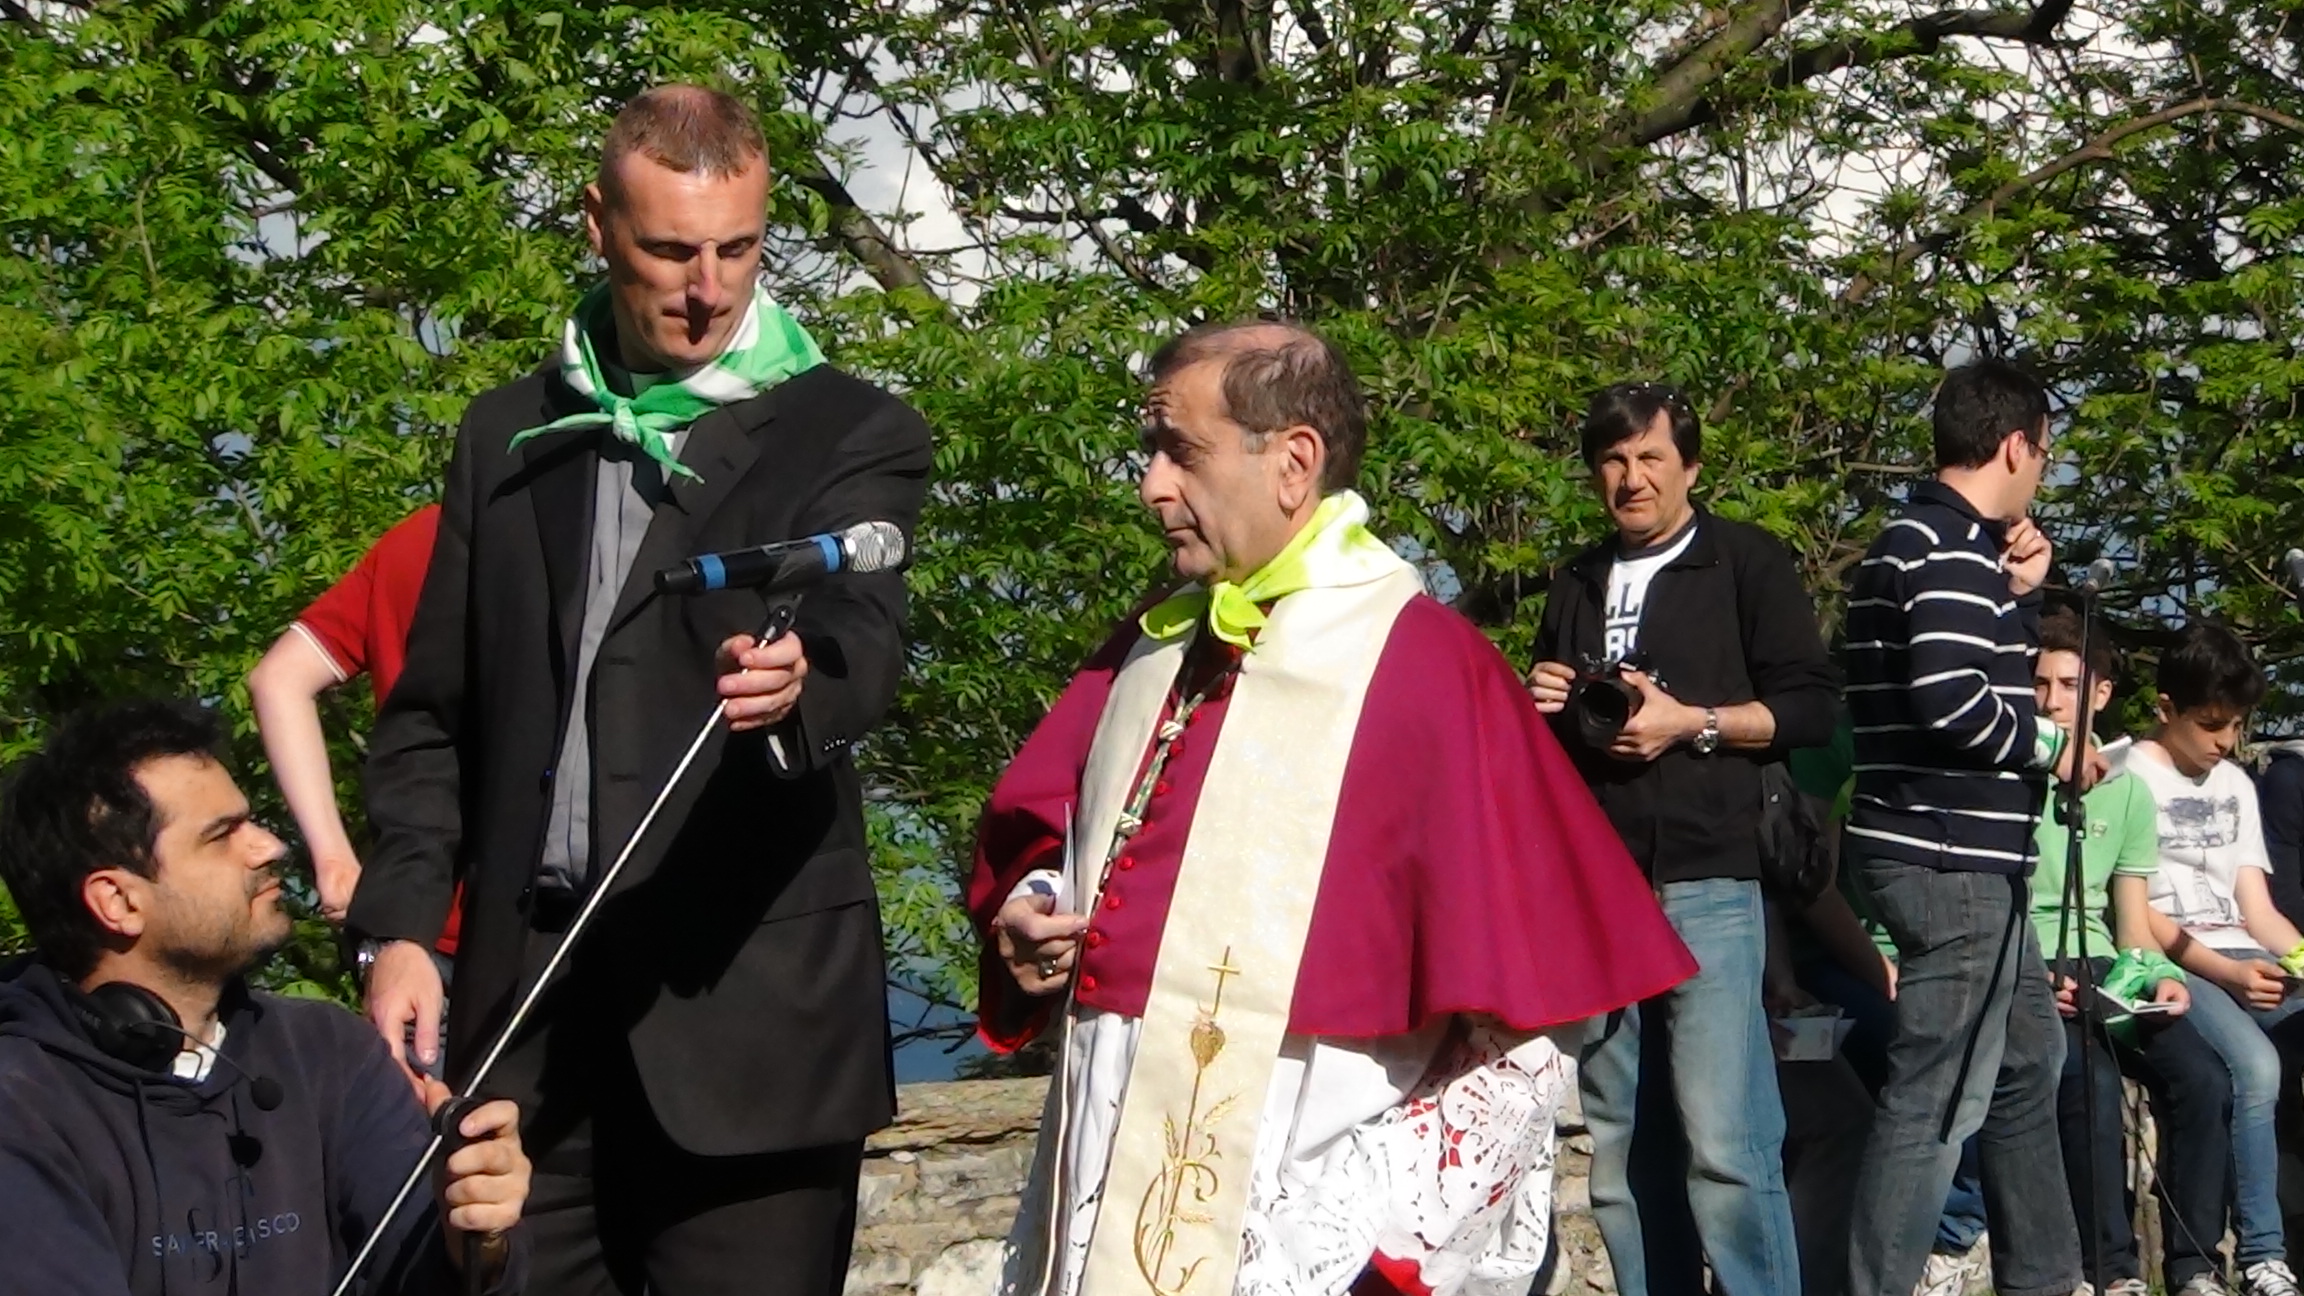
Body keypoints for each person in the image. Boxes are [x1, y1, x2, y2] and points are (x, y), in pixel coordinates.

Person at [968, 320, 1695, 1296]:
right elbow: (1052, 831)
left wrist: (1383, 1252)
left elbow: (1523, 1032)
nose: (1151, 486)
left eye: (1181, 452)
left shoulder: (1425, 668)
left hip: (1297, 1209)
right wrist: (1034, 909)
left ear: (1293, 462)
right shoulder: (1154, 646)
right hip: (1099, 1160)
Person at [347, 85, 932, 1296]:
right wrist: (398, 930)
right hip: (527, 1021)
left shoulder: (850, 431)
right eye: (670, 251)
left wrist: (800, 686)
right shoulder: (506, 435)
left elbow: (861, 633)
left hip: (749, 1029)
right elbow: (433, 717)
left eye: (739, 248)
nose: (707, 288)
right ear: (597, 225)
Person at [0, 698, 532, 1295]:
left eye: (250, 822)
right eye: (222, 835)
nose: (270, 847)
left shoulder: (327, 1052)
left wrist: (476, 1237)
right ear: (118, 902)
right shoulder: (21, 1102)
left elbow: (429, 1276)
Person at [1524, 381, 1839, 1296]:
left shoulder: (1744, 561)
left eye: (1651, 458)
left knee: (1727, 1143)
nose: (1632, 478)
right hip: (1599, 887)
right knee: (1621, 1146)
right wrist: (1544, 700)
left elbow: (1811, 709)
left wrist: (1689, 723)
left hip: (1711, 878)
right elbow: (1561, 744)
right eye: (1613, 461)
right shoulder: (1577, 580)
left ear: (1690, 467)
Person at [1839, 358, 2101, 1296]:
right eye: (2045, 453)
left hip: (1957, 854)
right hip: (1948, 856)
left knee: (2030, 1059)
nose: (2042, 471)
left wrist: (2022, 600)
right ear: (2016, 445)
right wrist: (2053, 747)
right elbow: (1952, 701)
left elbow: (1962, 678)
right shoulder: (1945, 549)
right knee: (1937, 1098)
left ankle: (2046, 1277)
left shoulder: (1923, 544)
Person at [2027, 608, 2231, 1296]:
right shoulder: (2010, 783)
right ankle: (2111, 1272)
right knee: (2088, 1083)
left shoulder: (2129, 792)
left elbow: (2134, 926)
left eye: (2067, 685)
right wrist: (2034, 975)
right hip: (2035, 966)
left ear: (2102, 693)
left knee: (2203, 1078)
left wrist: (2162, 980)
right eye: (2039, 684)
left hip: (2107, 971)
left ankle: (2195, 1267)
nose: (2051, 700)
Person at [2136, 622, 2304, 1296]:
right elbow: (2138, 914)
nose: (2225, 742)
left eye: (2235, 726)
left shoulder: (2235, 782)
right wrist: (2230, 974)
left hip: (2244, 953)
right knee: (2256, 1068)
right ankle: (2264, 1253)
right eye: (2210, 724)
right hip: (2177, 962)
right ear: (2166, 708)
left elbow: (2257, 910)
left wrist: (2300, 957)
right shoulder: (2126, 774)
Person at [248, 504, 442, 926]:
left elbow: (280, 678)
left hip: (411, 909)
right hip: (539, 915)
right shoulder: (563, 550)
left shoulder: (423, 536)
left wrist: (333, 859)